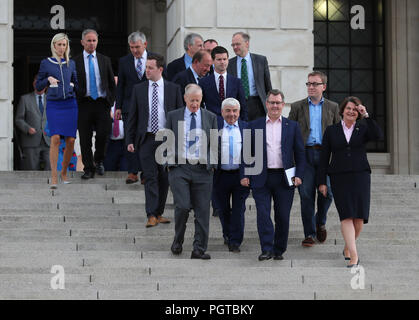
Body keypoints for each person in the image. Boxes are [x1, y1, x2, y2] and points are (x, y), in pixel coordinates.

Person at [317, 96, 383, 268]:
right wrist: (322, 182)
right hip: (339, 177)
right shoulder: (331, 131)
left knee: (359, 219)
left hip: (360, 176)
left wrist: (366, 115)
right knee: (346, 215)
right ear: (342, 110)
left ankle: (348, 246)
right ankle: (354, 255)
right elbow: (324, 158)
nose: (351, 111)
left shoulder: (363, 128)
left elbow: (378, 135)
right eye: (349, 108)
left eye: (355, 109)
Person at [240, 89, 305, 261]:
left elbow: (300, 154)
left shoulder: (292, 126)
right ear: (266, 104)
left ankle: (279, 249)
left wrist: (299, 175)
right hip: (261, 176)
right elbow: (246, 153)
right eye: (272, 102)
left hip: (285, 178)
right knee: (263, 214)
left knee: (283, 216)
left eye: (278, 103)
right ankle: (266, 249)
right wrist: (244, 174)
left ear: (283, 105)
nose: (275, 106)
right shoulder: (254, 125)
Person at [126, 54, 183, 228]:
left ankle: (158, 212)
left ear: (160, 69)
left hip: (167, 138)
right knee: (150, 176)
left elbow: (180, 115)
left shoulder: (173, 89)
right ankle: (150, 214)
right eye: (146, 67)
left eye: (150, 68)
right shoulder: (139, 89)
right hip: (147, 138)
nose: (147, 71)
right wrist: (129, 139)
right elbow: (132, 117)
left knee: (164, 177)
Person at [165, 83, 218, 259]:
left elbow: (214, 144)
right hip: (180, 167)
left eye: (197, 100)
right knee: (182, 206)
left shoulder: (210, 117)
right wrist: (169, 162)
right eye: (191, 100)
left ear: (201, 99)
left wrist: (211, 164)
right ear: (185, 99)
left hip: (202, 170)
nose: (194, 104)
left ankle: (199, 249)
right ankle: (178, 239)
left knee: (202, 211)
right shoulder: (173, 116)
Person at [288, 71, 340, 247]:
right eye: (308, 84)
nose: (310, 87)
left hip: (326, 155)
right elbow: (290, 133)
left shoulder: (333, 107)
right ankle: (309, 233)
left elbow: (339, 133)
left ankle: (320, 221)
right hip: (305, 155)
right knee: (306, 194)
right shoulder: (297, 107)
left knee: (328, 192)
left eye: (315, 84)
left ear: (323, 87)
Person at [36, 33, 78, 188]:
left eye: (64, 45)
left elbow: (76, 83)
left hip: (70, 104)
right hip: (54, 104)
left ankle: (64, 172)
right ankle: (54, 176)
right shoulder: (46, 63)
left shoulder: (71, 63)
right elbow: (38, 86)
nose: (62, 48)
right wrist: (47, 80)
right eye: (59, 45)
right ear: (54, 46)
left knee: (71, 140)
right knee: (54, 138)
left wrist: (73, 86)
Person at [74, 29, 116, 179]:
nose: (92, 43)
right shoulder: (75, 61)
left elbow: (111, 83)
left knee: (103, 135)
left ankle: (98, 161)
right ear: (82, 42)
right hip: (84, 103)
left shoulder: (104, 60)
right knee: (84, 138)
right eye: (89, 40)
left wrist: (110, 101)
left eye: (94, 41)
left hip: (101, 103)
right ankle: (88, 168)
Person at [115, 31, 151, 184]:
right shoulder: (124, 61)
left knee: (145, 138)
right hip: (129, 106)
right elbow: (121, 85)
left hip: (150, 105)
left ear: (145, 44)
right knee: (130, 138)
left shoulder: (154, 59)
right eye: (131, 47)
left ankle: (145, 172)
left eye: (137, 47)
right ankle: (132, 172)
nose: (135, 50)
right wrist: (118, 106)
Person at [214, 98, 249, 252]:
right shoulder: (214, 128)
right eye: (228, 110)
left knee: (238, 209)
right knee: (222, 209)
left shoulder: (247, 128)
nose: (231, 114)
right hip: (219, 176)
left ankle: (235, 241)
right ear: (222, 112)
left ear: (239, 112)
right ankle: (227, 234)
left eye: (234, 111)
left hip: (240, 176)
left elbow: (251, 154)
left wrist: (248, 174)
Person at [228, 32, 272, 121]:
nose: (235, 47)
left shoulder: (260, 60)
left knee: (258, 133)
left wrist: (270, 105)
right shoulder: (229, 64)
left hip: (258, 104)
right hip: (238, 105)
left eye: (238, 44)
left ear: (247, 43)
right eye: (233, 45)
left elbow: (268, 85)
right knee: (244, 133)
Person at [199, 46, 248, 121]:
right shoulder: (203, 82)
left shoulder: (237, 82)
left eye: (224, 59)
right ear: (212, 61)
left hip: (233, 123)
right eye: (219, 59)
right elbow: (201, 105)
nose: (222, 62)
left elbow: (243, 106)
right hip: (212, 124)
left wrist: (243, 124)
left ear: (228, 60)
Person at [15, 74, 51, 170]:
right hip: (30, 140)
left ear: (46, 86)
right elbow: (18, 119)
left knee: (50, 169)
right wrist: (27, 128)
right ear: (34, 84)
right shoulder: (25, 99)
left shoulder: (52, 100)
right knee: (31, 170)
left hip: (48, 140)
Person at [104, 77, 127, 172]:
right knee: (108, 170)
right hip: (110, 144)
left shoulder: (127, 102)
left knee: (125, 170)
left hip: (125, 143)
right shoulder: (104, 103)